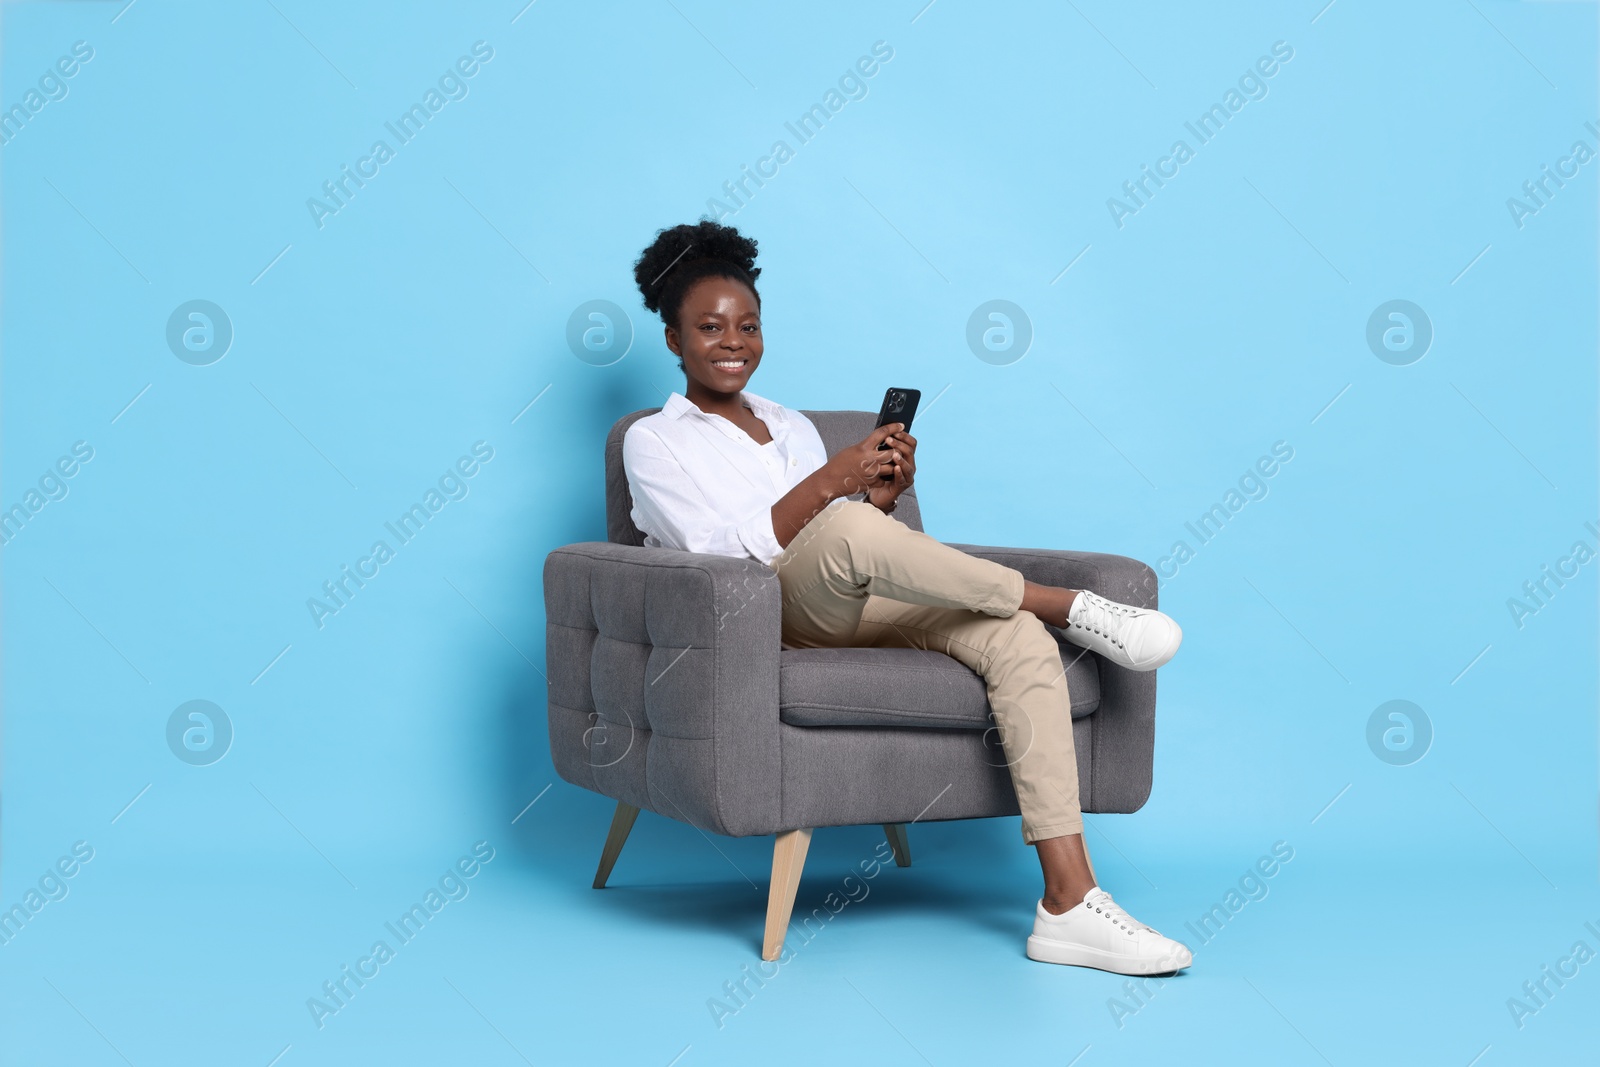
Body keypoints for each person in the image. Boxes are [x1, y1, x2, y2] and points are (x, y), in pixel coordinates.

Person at [620, 219, 1193, 976]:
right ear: (672, 339)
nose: (735, 341)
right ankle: (1072, 606)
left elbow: (850, 538)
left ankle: (1068, 901)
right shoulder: (654, 439)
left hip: (845, 592)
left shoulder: (789, 424)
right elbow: (718, 553)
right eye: (711, 327)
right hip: (754, 616)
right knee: (856, 529)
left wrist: (883, 498)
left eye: (750, 325)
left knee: (1013, 635)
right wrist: (834, 484)